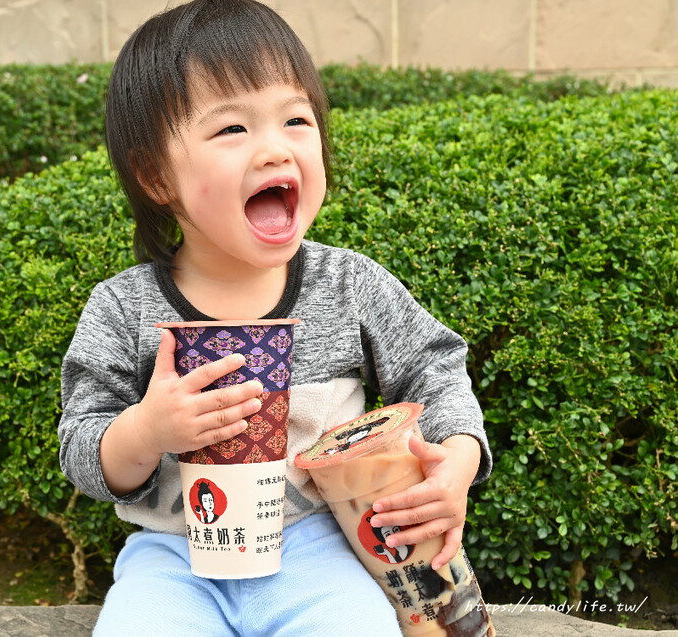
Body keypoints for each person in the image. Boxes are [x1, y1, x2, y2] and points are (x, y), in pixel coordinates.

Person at [58, 1, 492, 634]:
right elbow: (82, 447)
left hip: (318, 555)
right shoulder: (122, 309)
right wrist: (148, 430)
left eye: (295, 119)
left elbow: (436, 373)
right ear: (155, 175)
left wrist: (455, 458)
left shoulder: (349, 285)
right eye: (231, 129)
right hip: (173, 563)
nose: (273, 150)